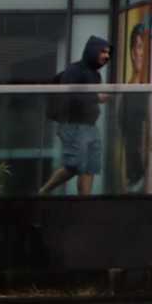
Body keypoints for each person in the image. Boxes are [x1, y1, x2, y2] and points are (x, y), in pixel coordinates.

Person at [39, 36, 112, 196]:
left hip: (90, 125)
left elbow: (87, 98)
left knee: (90, 166)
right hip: (73, 124)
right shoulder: (74, 70)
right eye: (102, 51)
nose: (106, 56)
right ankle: (44, 191)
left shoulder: (95, 75)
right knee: (74, 164)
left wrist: (98, 99)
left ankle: (84, 204)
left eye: (108, 52)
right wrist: (96, 98)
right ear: (92, 51)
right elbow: (70, 95)